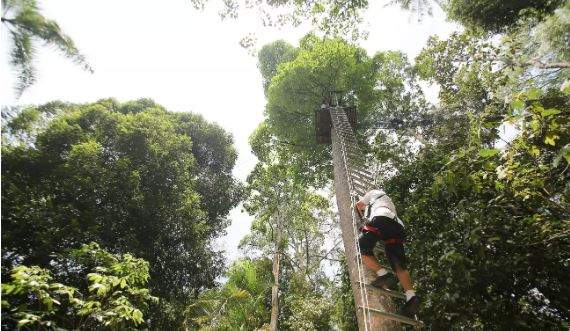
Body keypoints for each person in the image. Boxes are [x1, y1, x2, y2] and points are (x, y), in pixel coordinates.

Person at [355, 189, 420, 318]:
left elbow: (359, 205)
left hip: (381, 217)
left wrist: (361, 214)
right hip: (398, 225)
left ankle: (383, 274)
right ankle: (411, 296)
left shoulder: (372, 193)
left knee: (362, 247)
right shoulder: (387, 200)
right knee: (398, 264)